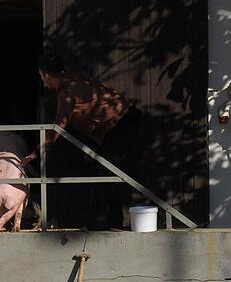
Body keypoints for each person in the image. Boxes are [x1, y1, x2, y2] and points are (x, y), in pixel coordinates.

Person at [24, 54, 143, 228]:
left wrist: (36, 152)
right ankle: (108, 222)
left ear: (47, 75)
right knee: (103, 172)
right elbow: (91, 111)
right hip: (117, 124)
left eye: (42, 76)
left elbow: (59, 125)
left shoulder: (67, 92)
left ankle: (115, 223)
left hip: (120, 124)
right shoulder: (76, 78)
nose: (43, 81)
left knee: (110, 174)